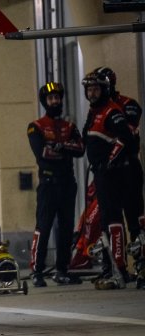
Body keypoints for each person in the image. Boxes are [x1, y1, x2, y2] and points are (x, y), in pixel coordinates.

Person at [26, 82, 85, 287]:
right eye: (51, 98)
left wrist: (60, 147)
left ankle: (62, 270)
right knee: (43, 227)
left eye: (57, 97)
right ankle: (37, 271)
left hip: (68, 184)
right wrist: (64, 149)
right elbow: (43, 153)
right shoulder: (36, 126)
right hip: (48, 184)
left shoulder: (70, 126)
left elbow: (81, 149)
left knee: (66, 228)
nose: (55, 101)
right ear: (45, 101)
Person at [81, 69, 135, 289]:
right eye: (89, 89)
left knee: (113, 220)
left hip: (113, 175)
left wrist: (110, 161)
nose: (92, 93)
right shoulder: (93, 112)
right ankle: (112, 268)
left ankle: (119, 270)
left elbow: (126, 138)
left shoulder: (112, 112)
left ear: (104, 90)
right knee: (106, 221)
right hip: (101, 175)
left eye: (95, 89)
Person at [95, 67, 144, 260]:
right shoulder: (97, 109)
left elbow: (127, 134)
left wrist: (111, 155)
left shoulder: (128, 104)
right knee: (109, 218)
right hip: (108, 171)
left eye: (99, 86)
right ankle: (114, 263)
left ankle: (141, 261)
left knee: (135, 215)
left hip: (128, 166)